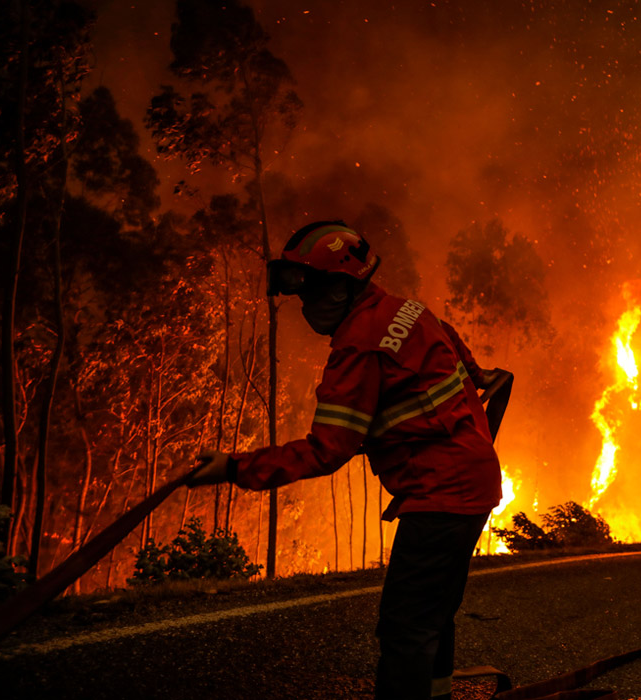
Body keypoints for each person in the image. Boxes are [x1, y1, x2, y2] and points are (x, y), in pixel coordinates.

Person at [188, 220, 504, 700]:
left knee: (405, 627)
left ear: (341, 285)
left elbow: (326, 450)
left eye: (309, 292)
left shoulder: (359, 344)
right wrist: (478, 376)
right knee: (432, 615)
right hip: (469, 483)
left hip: (440, 494)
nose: (305, 307)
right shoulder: (406, 309)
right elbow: (455, 347)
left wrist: (232, 469)